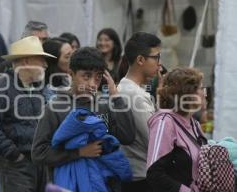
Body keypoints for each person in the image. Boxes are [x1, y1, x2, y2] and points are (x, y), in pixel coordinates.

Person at [31, 47, 136, 191]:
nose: (92, 84)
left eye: (98, 77)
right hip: (67, 185)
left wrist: (116, 97)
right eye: (86, 76)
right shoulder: (54, 108)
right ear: (71, 74)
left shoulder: (103, 105)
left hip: (104, 184)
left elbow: (127, 137)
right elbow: (38, 153)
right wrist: (79, 153)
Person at [0, 36, 56, 192]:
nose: (45, 64)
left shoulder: (39, 87)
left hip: (40, 160)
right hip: (16, 163)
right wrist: (14, 154)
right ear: (26, 62)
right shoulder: (0, 87)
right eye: (40, 60)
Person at [146, 67, 207, 192]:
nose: (204, 93)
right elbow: (154, 174)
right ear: (187, 93)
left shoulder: (194, 123)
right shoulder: (164, 122)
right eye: (201, 88)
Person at [117, 32, 161, 192]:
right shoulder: (133, 95)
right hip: (140, 178)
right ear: (140, 60)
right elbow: (155, 141)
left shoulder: (127, 89)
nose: (159, 64)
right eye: (156, 57)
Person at [43, 37, 73, 102]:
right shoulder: (48, 90)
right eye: (67, 57)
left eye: (73, 54)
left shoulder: (68, 79)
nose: (73, 59)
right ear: (53, 61)